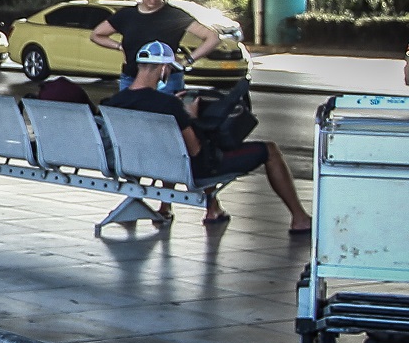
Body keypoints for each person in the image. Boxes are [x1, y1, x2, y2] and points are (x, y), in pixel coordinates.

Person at [104, 41, 312, 233]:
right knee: (269, 150)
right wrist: (191, 117)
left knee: (173, 152)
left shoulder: (114, 102)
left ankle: (210, 209)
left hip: (139, 164)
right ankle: (300, 218)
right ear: (164, 68)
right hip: (186, 169)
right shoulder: (168, 105)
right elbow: (195, 150)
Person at [92, 0, 221, 92]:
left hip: (165, 81)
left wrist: (186, 61)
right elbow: (97, 35)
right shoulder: (126, 15)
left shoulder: (174, 15)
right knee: (126, 108)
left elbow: (213, 38)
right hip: (131, 78)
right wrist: (120, 46)